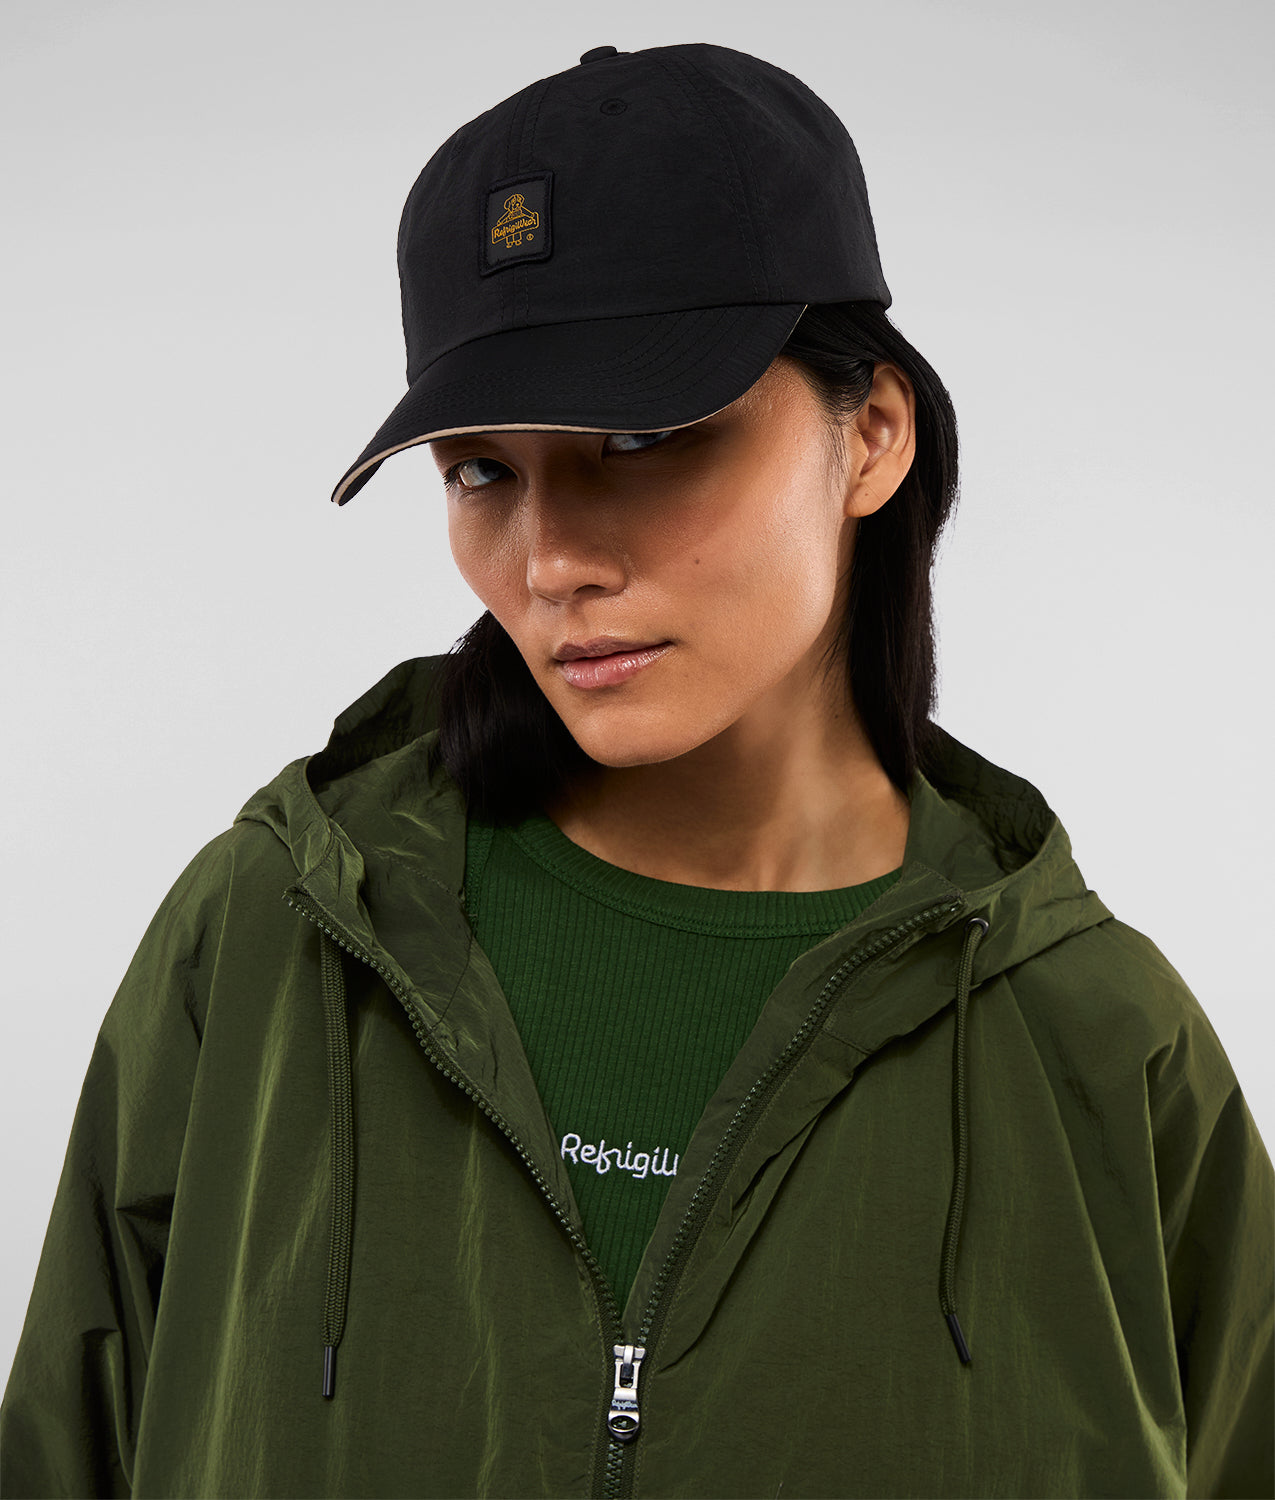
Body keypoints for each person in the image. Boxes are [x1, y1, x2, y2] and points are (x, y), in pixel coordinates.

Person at [1, 39, 1271, 1500]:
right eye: (483, 470)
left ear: (870, 436)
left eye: (643, 435)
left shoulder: (1104, 1042)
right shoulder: (269, 938)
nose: (549, 562)